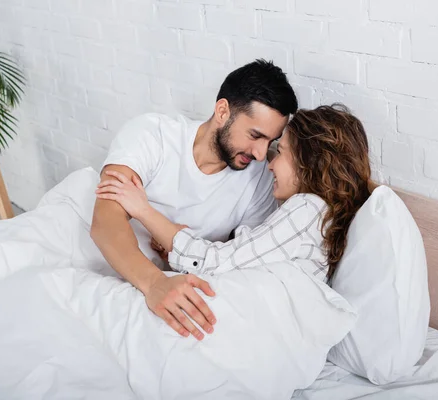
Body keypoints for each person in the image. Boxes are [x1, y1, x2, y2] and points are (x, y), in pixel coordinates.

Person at [96, 104, 372, 328]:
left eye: (281, 152)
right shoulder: (314, 215)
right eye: (256, 137)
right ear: (222, 111)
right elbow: (242, 258)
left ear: (308, 163)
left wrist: (143, 210)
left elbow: (218, 263)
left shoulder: (308, 209)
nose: (269, 161)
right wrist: (173, 250)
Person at [90, 59, 298, 341]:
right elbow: (105, 220)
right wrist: (154, 283)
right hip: (111, 263)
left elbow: (238, 257)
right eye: (255, 136)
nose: (261, 154)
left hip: (172, 282)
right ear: (223, 111)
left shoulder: (259, 179)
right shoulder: (154, 135)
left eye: (270, 142)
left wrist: (179, 255)